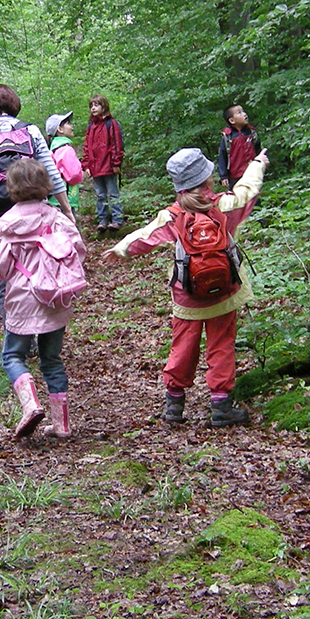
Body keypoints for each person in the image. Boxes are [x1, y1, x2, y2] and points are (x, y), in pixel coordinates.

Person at [104, 143, 268, 427]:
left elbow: (146, 236)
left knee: (183, 346)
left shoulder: (172, 215)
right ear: (207, 179)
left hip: (187, 297)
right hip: (224, 293)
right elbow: (248, 191)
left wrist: (120, 250)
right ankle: (221, 406)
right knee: (221, 345)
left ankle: (174, 405)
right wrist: (258, 164)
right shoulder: (224, 205)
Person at [0, 85, 74, 315]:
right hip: (32, 214)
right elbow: (50, 172)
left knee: (2, 280)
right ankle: (39, 327)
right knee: (34, 273)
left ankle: (18, 340)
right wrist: (66, 209)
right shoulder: (30, 130)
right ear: (14, 105)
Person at [0, 159, 86, 439]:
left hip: (21, 297)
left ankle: (30, 404)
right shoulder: (56, 218)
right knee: (51, 359)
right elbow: (78, 250)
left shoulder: (9, 222)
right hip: (55, 298)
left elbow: (1, 267)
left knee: (12, 355)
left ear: (12, 189)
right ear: (45, 185)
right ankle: (62, 425)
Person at [82, 94, 124, 238]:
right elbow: (87, 146)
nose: (93, 108)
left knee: (112, 193)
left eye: (96, 105)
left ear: (104, 106)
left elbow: (117, 144)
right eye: (91, 106)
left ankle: (117, 219)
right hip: (95, 167)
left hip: (108, 165)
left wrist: (116, 163)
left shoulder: (111, 124)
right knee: (100, 194)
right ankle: (103, 220)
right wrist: (86, 165)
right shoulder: (91, 126)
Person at [45, 112, 85, 215]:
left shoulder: (52, 149)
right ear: (60, 129)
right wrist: (82, 173)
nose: (72, 126)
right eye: (68, 123)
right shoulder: (65, 149)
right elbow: (74, 175)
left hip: (53, 198)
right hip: (66, 198)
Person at [217, 104, 261, 191]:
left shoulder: (251, 133)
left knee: (254, 198)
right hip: (235, 175)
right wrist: (223, 176)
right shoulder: (228, 137)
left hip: (252, 173)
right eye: (239, 113)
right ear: (232, 120)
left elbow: (258, 151)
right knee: (238, 200)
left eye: (243, 111)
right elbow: (222, 157)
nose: (244, 114)